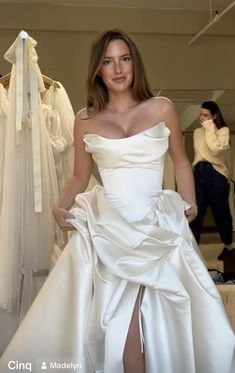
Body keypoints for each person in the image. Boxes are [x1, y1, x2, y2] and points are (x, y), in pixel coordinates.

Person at [0, 29, 234, 373]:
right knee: (118, 328)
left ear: (134, 63)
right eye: (108, 61)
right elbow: (80, 176)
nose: (118, 68)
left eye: (124, 58)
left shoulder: (162, 108)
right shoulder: (84, 119)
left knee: (158, 321)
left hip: (157, 223)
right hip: (109, 226)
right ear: (98, 70)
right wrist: (59, 205)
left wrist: (190, 202)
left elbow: (182, 161)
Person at [190, 101, 235, 270]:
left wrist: (209, 127)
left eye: (206, 115)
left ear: (215, 116)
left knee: (221, 213)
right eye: (201, 115)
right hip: (200, 172)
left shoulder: (223, 131)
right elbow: (200, 154)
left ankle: (229, 247)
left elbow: (215, 150)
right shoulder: (196, 132)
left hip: (216, 173)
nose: (202, 118)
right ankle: (192, 252)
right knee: (195, 214)